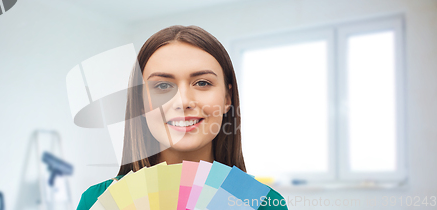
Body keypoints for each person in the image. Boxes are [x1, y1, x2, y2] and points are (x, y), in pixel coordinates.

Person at [76, 25, 287, 210]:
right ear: (139, 104)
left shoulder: (264, 203)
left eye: (202, 83)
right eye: (163, 86)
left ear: (227, 98)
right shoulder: (95, 201)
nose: (183, 101)